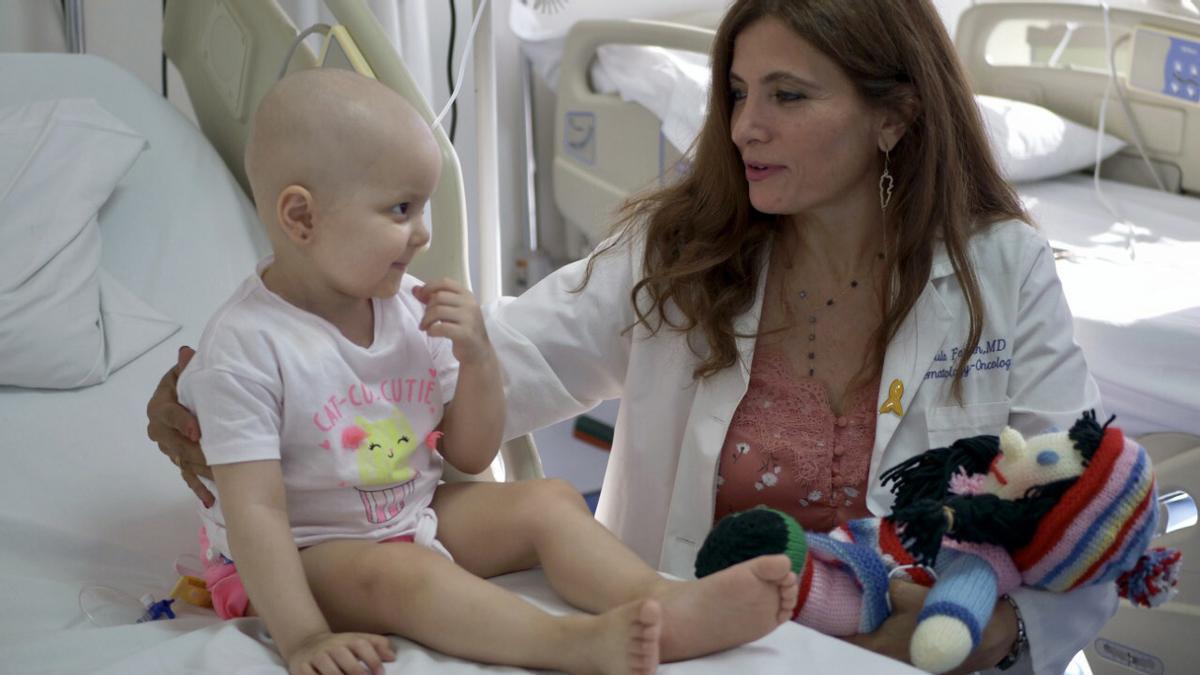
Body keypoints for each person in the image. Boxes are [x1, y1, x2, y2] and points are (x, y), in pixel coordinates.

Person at [148, 1, 1114, 672]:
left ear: (894, 116)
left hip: (926, 654)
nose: (744, 127)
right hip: (708, 653)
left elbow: (1083, 514)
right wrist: (256, 398)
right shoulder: (685, 249)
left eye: (788, 96)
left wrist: (984, 636)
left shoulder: (1001, 274)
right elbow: (474, 374)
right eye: (736, 93)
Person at [172, 68, 798, 675]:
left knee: (549, 501)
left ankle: (664, 602)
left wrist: (476, 358)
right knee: (403, 576)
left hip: (407, 516)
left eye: (423, 206)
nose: (424, 232)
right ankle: (572, 644)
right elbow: (255, 513)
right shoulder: (247, 349)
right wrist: (303, 636)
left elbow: (470, 456)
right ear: (302, 218)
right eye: (400, 209)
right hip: (296, 557)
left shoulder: (405, 309)